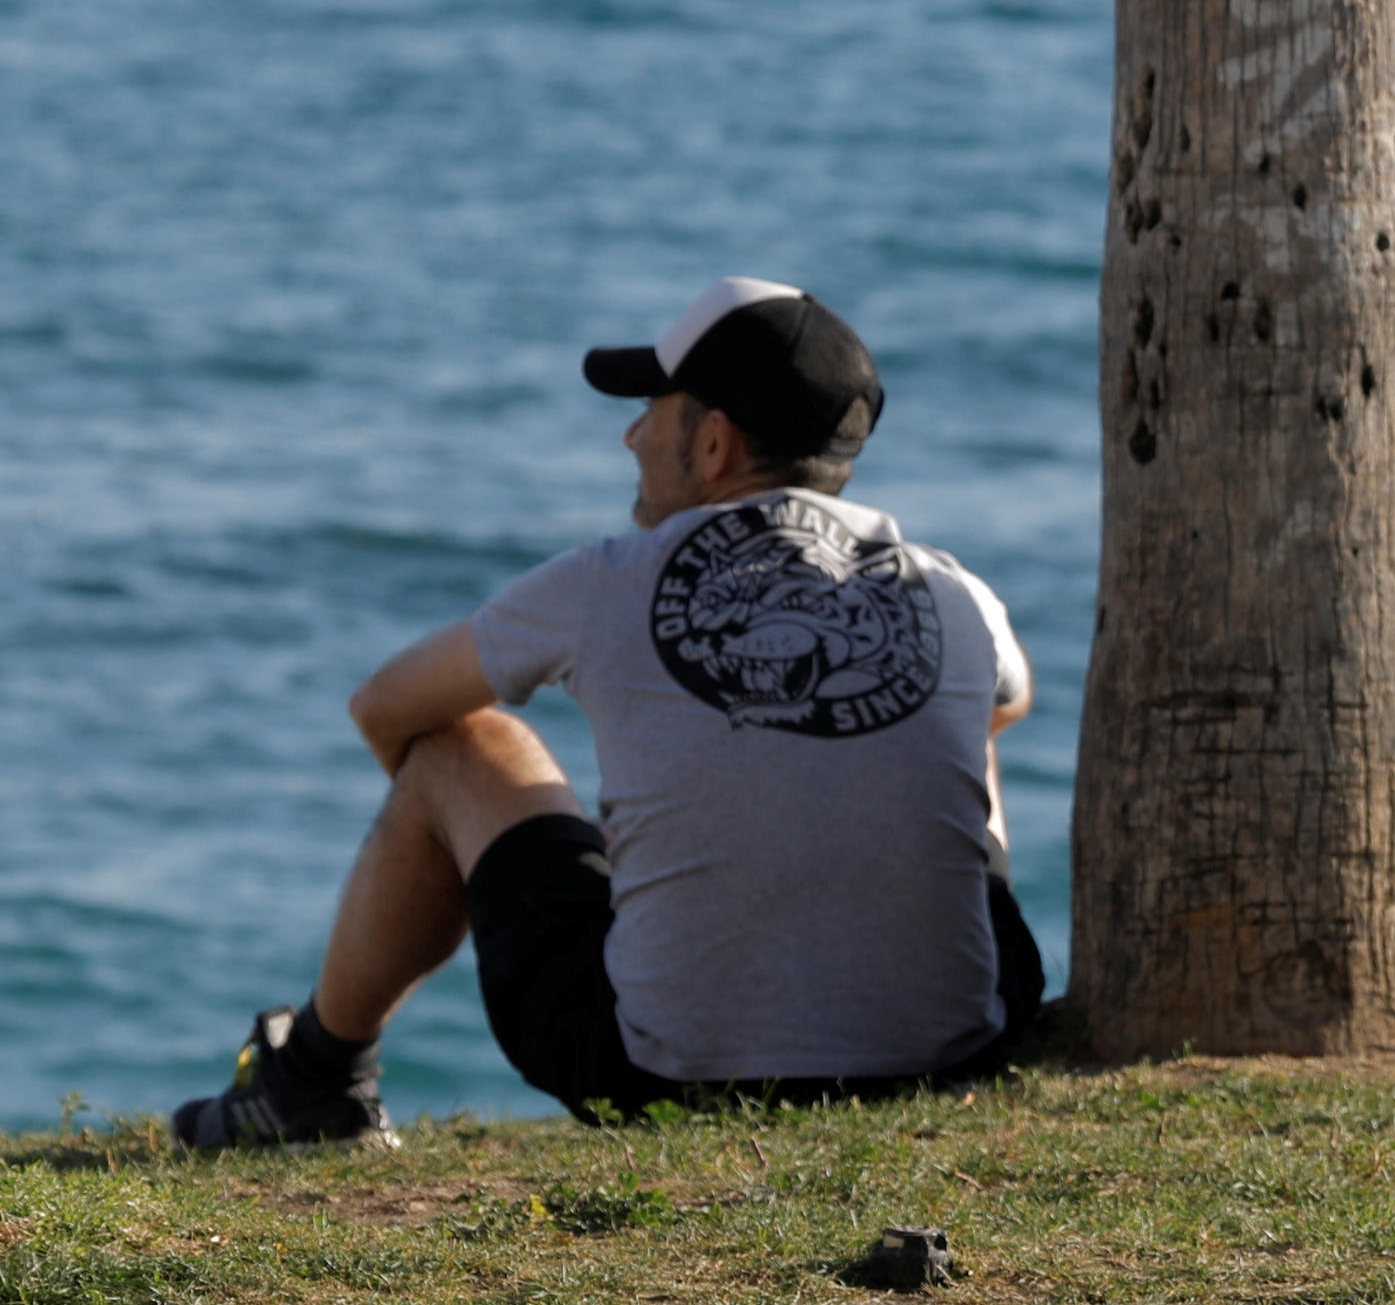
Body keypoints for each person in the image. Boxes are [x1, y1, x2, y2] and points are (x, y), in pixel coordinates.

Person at [178, 279, 1038, 1143]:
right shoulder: (954, 592)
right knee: (971, 722)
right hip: (952, 1061)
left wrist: (581, 854)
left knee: (458, 745)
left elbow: (386, 707)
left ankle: (314, 1081)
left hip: (658, 1072)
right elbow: (1016, 695)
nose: (631, 434)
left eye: (650, 409)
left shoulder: (604, 580)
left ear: (712, 443)